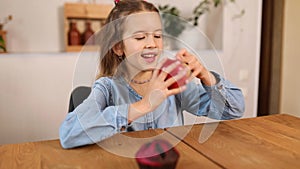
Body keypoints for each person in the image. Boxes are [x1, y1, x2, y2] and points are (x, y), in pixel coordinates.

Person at [59, 0, 245, 149]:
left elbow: (234, 110)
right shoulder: (107, 88)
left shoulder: (174, 85)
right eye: (140, 37)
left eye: (158, 36)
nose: (152, 44)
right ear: (118, 47)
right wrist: (143, 105)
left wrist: (207, 76)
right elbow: (69, 134)